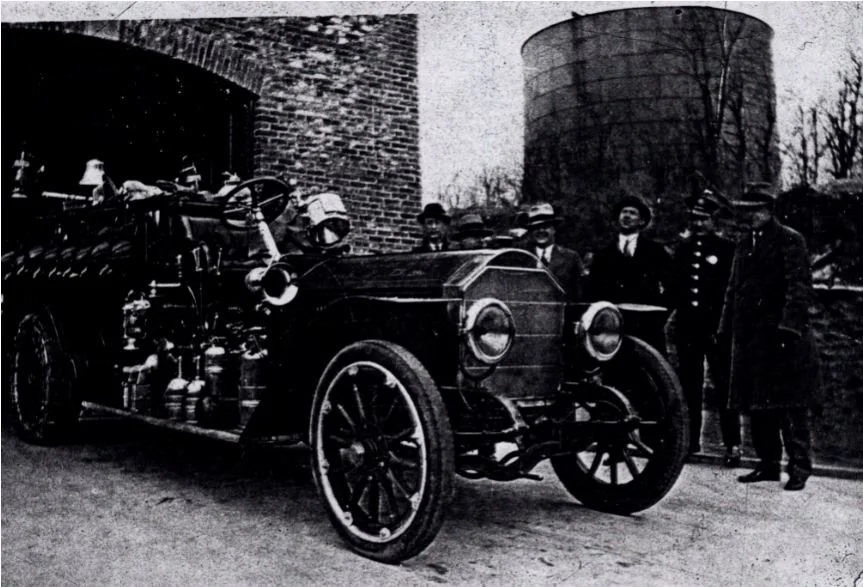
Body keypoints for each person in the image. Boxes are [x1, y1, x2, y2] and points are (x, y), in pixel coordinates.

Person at [718, 182, 819, 491]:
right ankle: (768, 464)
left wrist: (789, 328)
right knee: (758, 403)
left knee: (790, 405)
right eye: (746, 211)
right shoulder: (744, 242)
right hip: (751, 338)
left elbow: (798, 287)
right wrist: (725, 328)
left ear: (770, 211)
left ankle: (799, 467)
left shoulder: (790, 240)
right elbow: (734, 288)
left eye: (756, 211)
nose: (750, 217)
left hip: (782, 337)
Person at [671, 190, 740, 462]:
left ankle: (732, 444)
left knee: (724, 385)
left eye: (704, 219)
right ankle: (691, 442)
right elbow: (676, 288)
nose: (699, 224)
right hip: (689, 328)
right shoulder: (684, 249)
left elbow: (731, 292)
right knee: (690, 385)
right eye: (695, 218)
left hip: (717, 329)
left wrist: (724, 325)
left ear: (715, 220)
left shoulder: (726, 249)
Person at [589, 194, 674, 353]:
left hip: (648, 328)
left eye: (632, 213)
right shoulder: (603, 254)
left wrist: (660, 314)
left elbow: (674, 286)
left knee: (647, 373)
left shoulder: (656, 252)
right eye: (624, 212)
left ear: (641, 221)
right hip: (612, 328)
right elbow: (593, 291)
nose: (627, 216)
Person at [518, 202, 584, 299]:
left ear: (554, 229)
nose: (541, 231)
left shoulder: (571, 257)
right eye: (536, 227)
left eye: (546, 226)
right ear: (531, 231)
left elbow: (579, 296)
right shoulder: (522, 257)